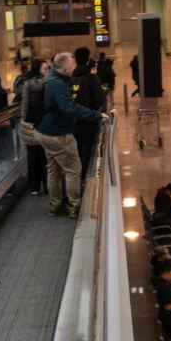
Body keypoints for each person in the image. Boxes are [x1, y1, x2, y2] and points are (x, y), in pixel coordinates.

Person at [36, 51, 107, 219]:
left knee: (53, 170)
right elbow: (69, 108)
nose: (74, 68)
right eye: (72, 65)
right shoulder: (58, 84)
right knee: (73, 169)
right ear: (66, 67)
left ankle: (55, 205)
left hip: (44, 131)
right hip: (58, 134)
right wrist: (95, 115)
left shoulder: (50, 79)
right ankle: (74, 205)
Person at [71, 47, 107, 180]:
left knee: (77, 150)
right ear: (87, 59)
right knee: (89, 150)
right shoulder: (91, 77)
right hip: (89, 120)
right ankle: (86, 178)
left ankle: (76, 177)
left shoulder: (71, 78)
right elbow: (100, 99)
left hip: (73, 122)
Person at [20, 58, 50, 196]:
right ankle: (47, 185)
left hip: (30, 123)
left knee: (32, 156)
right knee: (45, 156)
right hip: (44, 124)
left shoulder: (27, 83)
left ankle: (34, 187)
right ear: (39, 69)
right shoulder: (48, 83)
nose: (47, 71)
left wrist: (23, 120)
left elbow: (24, 104)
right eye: (45, 69)